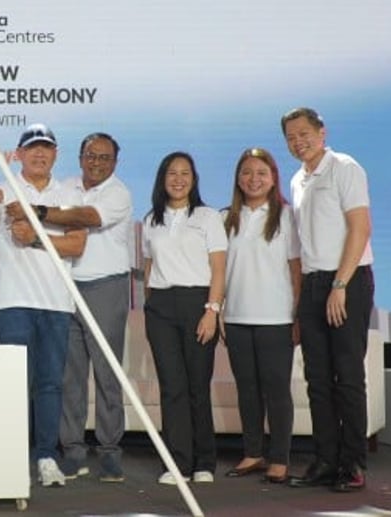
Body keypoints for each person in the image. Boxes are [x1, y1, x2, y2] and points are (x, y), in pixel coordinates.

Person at [8, 132, 133, 483]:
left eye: (104, 158)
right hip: (63, 290)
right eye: (91, 155)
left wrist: (42, 213)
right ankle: (73, 451)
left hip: (105, 287)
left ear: (115, 162)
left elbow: (88, 217)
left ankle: (110, 453)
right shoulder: (64, 187)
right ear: (79, 158)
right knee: (70, 377)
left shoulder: (118, 193)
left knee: (107, 375)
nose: (96, 162)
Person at [0, 123, 87, 488]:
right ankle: (8, 458)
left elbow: (76, 245)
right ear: (18, 154)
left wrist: (36, 237)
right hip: (13, 302)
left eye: (46, 148)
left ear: (55, 154)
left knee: (51, 384)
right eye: (32, 148)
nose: (39, 154)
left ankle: (46, 457)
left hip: (55, 301)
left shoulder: (69, 193)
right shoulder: (3, 190)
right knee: (12, 383)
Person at [281, 107, 374, 493]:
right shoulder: (297, 180)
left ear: (322, 132)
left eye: (304, 133)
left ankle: (351, 464)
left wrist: (340, 285)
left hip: (346, 282)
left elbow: (360, 227)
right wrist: (302, 302)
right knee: (316, 379)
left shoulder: (344, 167)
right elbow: (303, 247)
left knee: (347, 376)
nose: (298, 141)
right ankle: (325, 459)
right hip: (313, 283)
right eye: (291, 137)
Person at [141, 151, 226, 486]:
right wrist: (151, 305)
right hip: (161, 307)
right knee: (171, 387)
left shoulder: (207, 217)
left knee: (196, 386)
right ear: (163, 179)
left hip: (198, 304)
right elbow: (149, 267)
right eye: (172, 173)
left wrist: (212, 310)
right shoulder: (152, 219)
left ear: (194, 179)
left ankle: (204, 461)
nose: (178, 179)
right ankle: (177, 462)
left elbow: (219, 268)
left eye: (185, 173)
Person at [220, 147, 301, 485]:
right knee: (247, 390)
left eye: (261, 173)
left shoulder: (286, 216)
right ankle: (253, 452)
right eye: (247, 173)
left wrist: (297, 316)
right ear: (238, 178)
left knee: (276, 390)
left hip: (277, 319)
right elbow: (219, 270)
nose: (253, 179)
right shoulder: (226, 218)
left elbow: (296, 270)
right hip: (237, 317)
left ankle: (279, 458)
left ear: (273, 179)